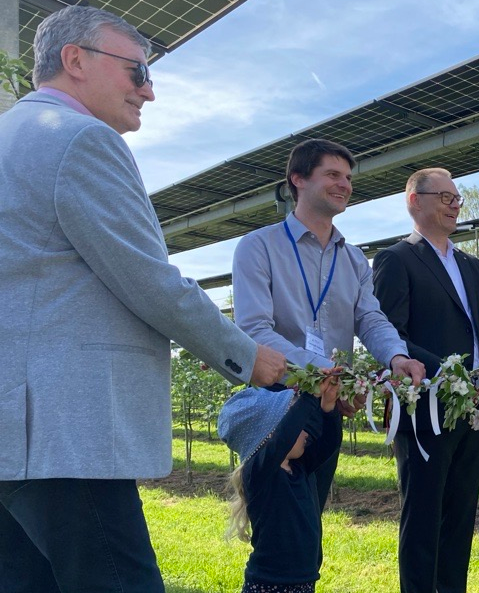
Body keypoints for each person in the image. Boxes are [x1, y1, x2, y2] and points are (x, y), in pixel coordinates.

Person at [0, 7, 287, 592]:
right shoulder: (80, 138)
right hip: (65, 438)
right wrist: (247, 357)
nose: (149, 91)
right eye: (138, 71)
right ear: (75, 60)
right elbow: (149, 281)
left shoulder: (10, 137)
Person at [233, 138, 425, 511]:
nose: (344, 185)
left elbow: (370, 318)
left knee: (313, 515)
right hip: (277, 405)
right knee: (280, 524)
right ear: (298, 179)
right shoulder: (259, 247)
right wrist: (329, 373)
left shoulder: (353, 260)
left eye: (348, 178)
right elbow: (254, 330)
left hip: (329, 406)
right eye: (333, 175)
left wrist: (396, 357)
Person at [372, 168, 479, 593]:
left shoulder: (470, 265)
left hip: (475, 409)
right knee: (423, 515)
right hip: (426, 407)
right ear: (415, 201)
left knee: (461, 514)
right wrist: (455, 374)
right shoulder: (397, 259)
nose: (455, 205)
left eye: (457, 198)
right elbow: (391, 333)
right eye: (445, 197)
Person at [220, 382, 343, 593]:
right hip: (269, 584)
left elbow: (330, 442)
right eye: (299, 425)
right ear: (269, 435)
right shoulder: (259, 474)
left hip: (304, 582)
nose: (306, 430)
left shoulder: (300, 467)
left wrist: (328, 408)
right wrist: (310, 396)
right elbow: (283, 437)